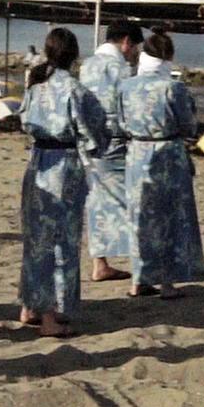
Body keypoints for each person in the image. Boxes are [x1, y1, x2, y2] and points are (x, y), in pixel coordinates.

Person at [18, 28, 107, 338]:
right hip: (65, 166)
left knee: (35, 238)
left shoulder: (34, 88)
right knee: (61, 243)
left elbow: (24, 122)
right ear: (74, 55)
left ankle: (30, 304)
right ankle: (51, 314)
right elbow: (97, 132)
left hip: (38, 162)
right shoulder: (75, 91)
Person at [117, 29, 204, 297]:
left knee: (139, 215)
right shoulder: (173, 87)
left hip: (136, 152)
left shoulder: (126, 85)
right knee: (170, 217)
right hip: (167, 152)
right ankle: (167, 282)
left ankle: (138, 277)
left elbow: (120, 122)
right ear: (168, 56)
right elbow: (189, 125)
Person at [80, 20, 143, 283]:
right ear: (126, 42)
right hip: (115, 141)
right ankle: (140, 266)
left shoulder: (87, 65)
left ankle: (100, 262)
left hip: (88, 142)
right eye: (135, 47)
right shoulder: (121, 69)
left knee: (96, 202)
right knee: (133, 201)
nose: (135, 53)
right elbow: (129, 107)